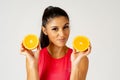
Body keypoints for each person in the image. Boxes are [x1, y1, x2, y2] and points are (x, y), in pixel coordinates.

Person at [20, 6, 91, 80]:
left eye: (65, 27)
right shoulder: (33, 58)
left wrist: (76, 65)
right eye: (55, 29)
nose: (62, 34)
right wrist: (33, 64)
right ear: (45, 30)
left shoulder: (81, 59)